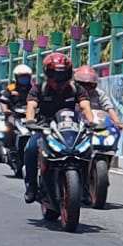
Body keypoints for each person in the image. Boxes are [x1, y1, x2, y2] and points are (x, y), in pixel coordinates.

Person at [22, 53, 92, 203]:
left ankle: (86, 187)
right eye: (56, 75)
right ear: (48, 73)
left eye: (63, 75)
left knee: (88, 150)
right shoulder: (39, 89)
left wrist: (92, 122)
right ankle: (32, 186)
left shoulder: (76, 89)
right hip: (45, 129)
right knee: (31, 148)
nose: (59, 79)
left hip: (71, 129)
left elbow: (85, 106)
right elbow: (31, 106)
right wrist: (30, 121)